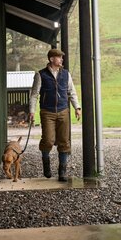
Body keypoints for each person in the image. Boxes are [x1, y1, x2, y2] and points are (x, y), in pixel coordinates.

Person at [28, 48, 82, 182]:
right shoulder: (40, 75)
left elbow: (72, 92)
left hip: (63, 111)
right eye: (59, 57)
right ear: (52, 59)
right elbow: (34, 95)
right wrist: (32, 111)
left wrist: (77, 107)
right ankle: (46, 163)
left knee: (64, 141)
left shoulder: (66, 74)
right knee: (48, 140)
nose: (61, 60)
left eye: (61, 57)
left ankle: (62, 171)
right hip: (47, 112)